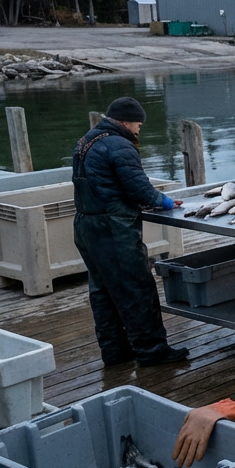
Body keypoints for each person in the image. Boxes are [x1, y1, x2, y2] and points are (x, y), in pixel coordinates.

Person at [72, 97, 190, 368]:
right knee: (136, 288)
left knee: (102, 291)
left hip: (85, 225)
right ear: (125, 121)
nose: (139, 130)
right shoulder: (119, 145)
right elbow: (138, 188)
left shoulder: (85, 141)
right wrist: (166, 201)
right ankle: (151, 350)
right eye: (138, 124)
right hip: (112, 228)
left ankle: (115, 351)